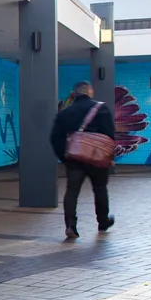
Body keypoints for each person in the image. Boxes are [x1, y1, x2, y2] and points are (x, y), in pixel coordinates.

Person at [50, 80, 116, 239]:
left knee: (72, 191)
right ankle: (102, 222)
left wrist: (65, 157)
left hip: (75, 159)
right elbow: (110, 135)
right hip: (97, 158)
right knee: (100, 189)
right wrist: (108, 156)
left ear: (74, 94)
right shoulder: (101, 108)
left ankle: (71, 226)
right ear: (89, 92)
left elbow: (55, 137)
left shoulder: (66, 112)